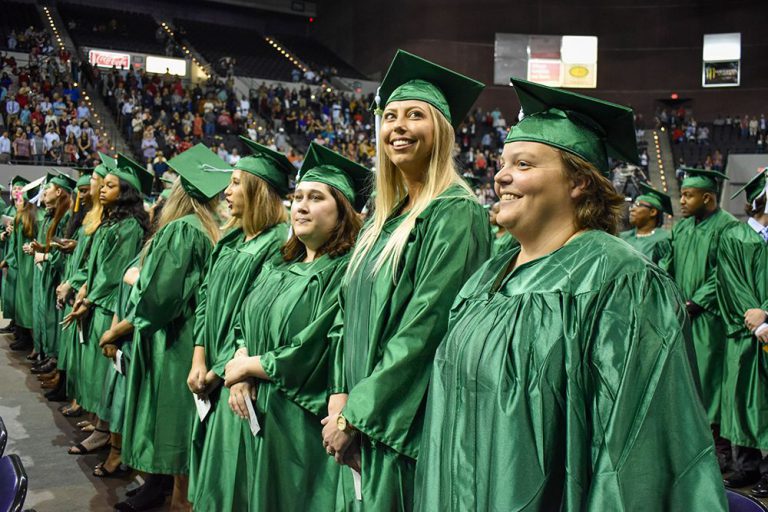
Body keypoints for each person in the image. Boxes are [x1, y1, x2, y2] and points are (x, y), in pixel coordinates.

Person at [415, 78, 727, 510]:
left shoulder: (620, 281)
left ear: (579, 182)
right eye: (503, 163)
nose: (501, 175)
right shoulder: (484, 280)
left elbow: (634, 452)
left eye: (524, 164)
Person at [320, 50, 492, 509]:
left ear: (441, 131)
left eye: (415, 115)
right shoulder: (383, 221)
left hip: (405, 420)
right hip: (359, 413)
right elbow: (346, 314)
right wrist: (340, 396)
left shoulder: (456, 213)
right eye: (390, 115)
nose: (398, 126)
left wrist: (358, 413)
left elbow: (428, 326)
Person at [211, 143, 369, 511]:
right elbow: (243, 320)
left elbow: (318, 345)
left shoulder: (344, 272)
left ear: (343, 212)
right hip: (254, 412)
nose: (300, 206)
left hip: (299, 424)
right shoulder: (278, 266)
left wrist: (251, 367)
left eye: (316, 198)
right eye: (298, 197)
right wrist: (241, 362)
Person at [119, 144, 232, 512]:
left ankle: (176, 498)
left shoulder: (182, 229)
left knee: (170, 418)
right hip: (191, 338)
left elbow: (161, 297)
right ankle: (163, 489)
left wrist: (136, 279)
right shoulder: (209, 226)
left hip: (173, 339)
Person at [187, 137, 293, 510]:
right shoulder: (231, 238)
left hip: (240, 377)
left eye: (235, 182)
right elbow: (204, 298)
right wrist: (199, 359)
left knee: (234, 481)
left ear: (258, 190)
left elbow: (259, 317)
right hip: (213, 369)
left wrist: (222, 370)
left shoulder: (279, 242)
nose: (227, 191)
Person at [62, 153, 152, 457]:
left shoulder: (129, 227)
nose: (102, 189)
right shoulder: (111, 222)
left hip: (109, 308)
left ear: (125, 192)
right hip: (96, 303)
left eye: (110, 185)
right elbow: (96, 266)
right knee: (94, 371)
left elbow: (114, 274)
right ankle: (98, 422)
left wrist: (89, 299)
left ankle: (104, 431)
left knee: (105, 375)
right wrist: (84, 290)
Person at [659, 166, 739, 470]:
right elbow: (669, 264)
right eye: (681, 194)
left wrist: (697, 301)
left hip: (710, 318)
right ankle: (690, 447)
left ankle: (719, 449)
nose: (681, 200)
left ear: (708, 198)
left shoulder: (728, 227)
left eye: (688, 195)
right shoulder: (681, 228)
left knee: (709, 380)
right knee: (685, 379)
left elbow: (725, 271)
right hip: (681, 314)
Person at [716, 169, 768, 492]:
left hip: (766, 325)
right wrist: (756, 320)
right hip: (744, 331)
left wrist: (767, 312)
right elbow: (732, 284)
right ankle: (746, 466)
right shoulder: (734, 237)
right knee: (743, 401)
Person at [56, 164, 107, 414]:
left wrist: (79, 286)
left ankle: (89, 410)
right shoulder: (90, 216)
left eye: (93, 184)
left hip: (96, 297)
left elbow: (97, 266)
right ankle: (79, 399)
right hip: (82, 288)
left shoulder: (110, 222)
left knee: (91, 356)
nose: (87, 192)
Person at [29, 172, 75, 388]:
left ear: (59, 191)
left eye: (48, 188)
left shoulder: (65, 216)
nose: (44, 192)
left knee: (52, 315)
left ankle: (54, 359)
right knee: (44, 312)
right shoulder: (50, 215)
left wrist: (47, 255)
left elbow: (61, 249)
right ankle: (49, 356)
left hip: (57, 274)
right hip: (46, 270)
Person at [3, 178, 42, 352]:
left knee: (29, 304)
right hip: (22, 265)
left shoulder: (36, 218)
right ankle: (25, 336)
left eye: (20, 198)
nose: (16, 200)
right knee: (22, 303)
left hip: (31, 266)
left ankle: (35, 345)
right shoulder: (22, 217)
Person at [0, 176, 30, 339]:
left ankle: (21, 330)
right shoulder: (9, 211)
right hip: (10, 252)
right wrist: (5, 233)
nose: (15, 191)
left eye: (19, 189)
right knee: (10, 293)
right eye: (14, 188)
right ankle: (14, 323)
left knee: (18, 295)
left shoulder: (27, 213)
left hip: (19, 259)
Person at [618, 182, 672, 264]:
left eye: (638, 205)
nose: (631, 209)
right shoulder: (621, 237)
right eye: (633, 205)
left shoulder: (665, 239)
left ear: (653, 212)